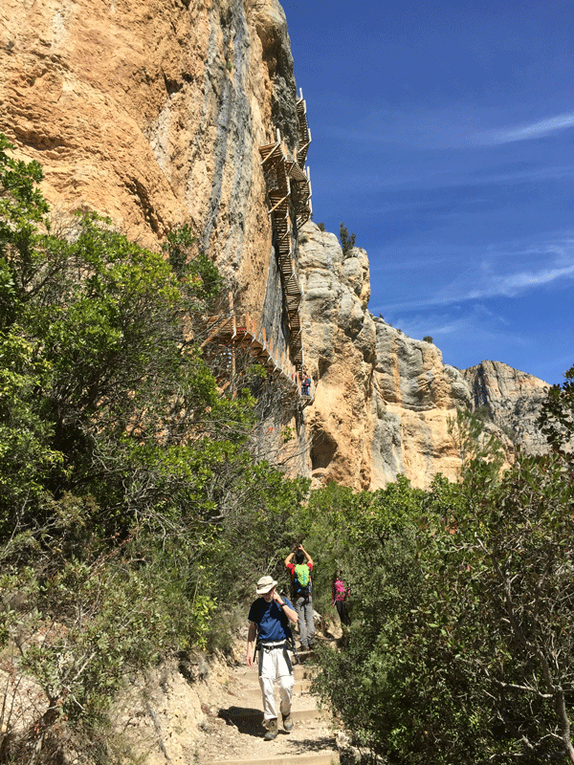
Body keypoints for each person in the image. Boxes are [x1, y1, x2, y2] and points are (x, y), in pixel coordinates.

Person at [246, 575, 298, 741]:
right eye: (264, 593)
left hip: (282, 648)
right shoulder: (256, 606)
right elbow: (252, 628)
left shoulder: (283, 601)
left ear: (273, 589)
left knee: (287, 685)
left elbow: (295, 619)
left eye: (268, 591)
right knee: (266, 686)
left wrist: (280, 603)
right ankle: (272, 722)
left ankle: (286, 712)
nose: (266, 595)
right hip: (265, 651)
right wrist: (249, 650)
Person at [284, 544, 315, 650]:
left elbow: (286, 561)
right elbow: (310, 559)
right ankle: (311, 641)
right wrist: (303, 549)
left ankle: (304, 644)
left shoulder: (293, 568)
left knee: (301, 621)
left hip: (298, 597)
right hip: (308, 596)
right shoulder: (308, 567)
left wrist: (294, 551)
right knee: (309, 619)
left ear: (295, 559)